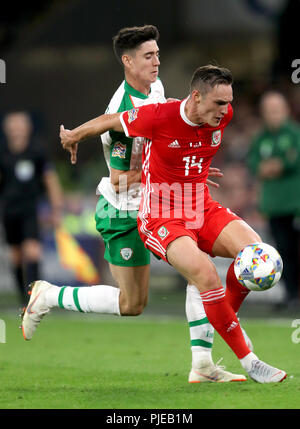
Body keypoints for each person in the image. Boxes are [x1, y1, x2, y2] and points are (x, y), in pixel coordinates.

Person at [23, 64, 286, 383]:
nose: (225, 110)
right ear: (196, 96)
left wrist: (194, 172)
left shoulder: (221, 117)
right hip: (162, 215)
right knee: (199, 275)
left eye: (229, 102)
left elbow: (191, 154)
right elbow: (112, 121)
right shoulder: (159, 116)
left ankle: (211, 350)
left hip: (200, 206)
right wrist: (74, 135)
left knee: (257, 254)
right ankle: (250, 360)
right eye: (219, 102)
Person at [0, 111, 63, 305]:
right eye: (13, 125)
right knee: (17, 256)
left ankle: (35, 299)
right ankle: (23, 300)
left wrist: (56, 208)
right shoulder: (3, 151)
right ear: (6, 129)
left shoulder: (37, 151)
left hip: (31, 209)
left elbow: (50, 179)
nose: (17, 129)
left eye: (21, 125)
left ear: (28, 128)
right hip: (10, 210)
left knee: (33, 252)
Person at [248, 91, 300, 309]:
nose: (273, 115)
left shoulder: (294, 134)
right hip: (274, 205)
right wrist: (270, 166)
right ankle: (291, 294)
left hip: (295, 204)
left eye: (276, 110)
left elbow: (290, 161)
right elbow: (253, 163)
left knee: (296, 249)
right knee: (282, 250)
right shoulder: (261, 138)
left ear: (285, 110)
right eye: (268, 111)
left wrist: (274, 166)